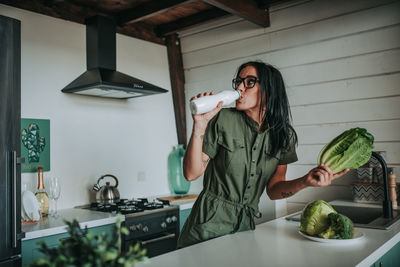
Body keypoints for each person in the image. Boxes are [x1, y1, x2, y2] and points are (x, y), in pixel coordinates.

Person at [177, 61, 349, 248]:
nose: (240, 87)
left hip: (244, 230)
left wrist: (306, 181)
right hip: (206, 227)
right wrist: (200, 125)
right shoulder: (221, 119)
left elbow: (274, 190)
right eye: (238, 81)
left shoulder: (284, 136)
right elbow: (191, 173)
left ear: (269, 90)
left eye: (250, 82)